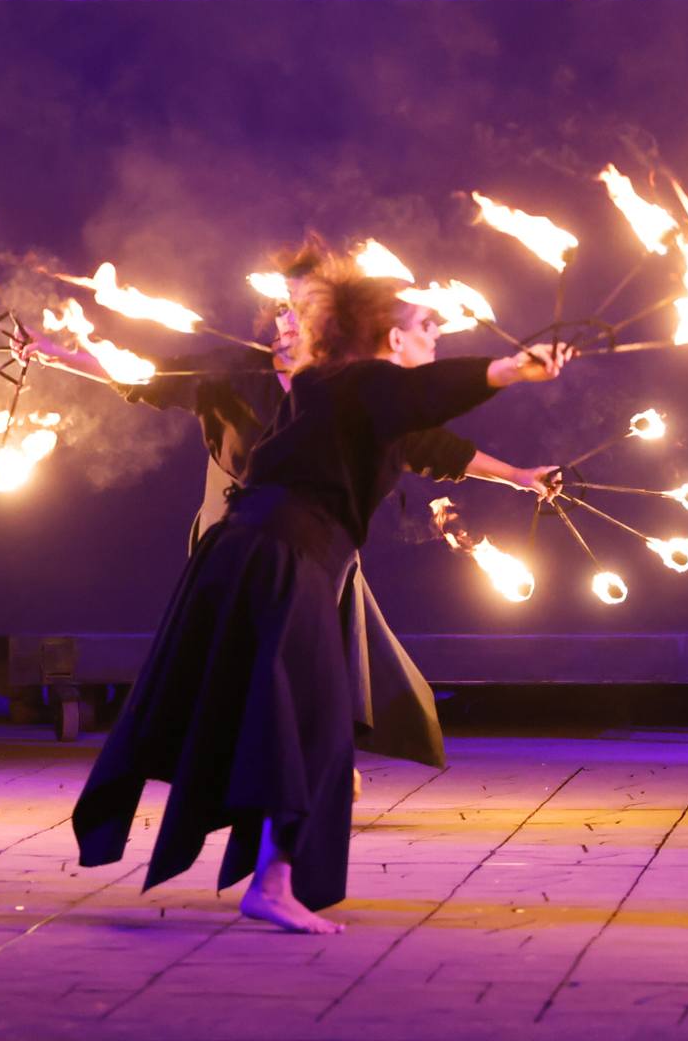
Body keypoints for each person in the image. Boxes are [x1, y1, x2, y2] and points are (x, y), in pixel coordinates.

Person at [71, 264, 571, 935]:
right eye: (425, 327)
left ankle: (271, 882)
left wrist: (519, 474)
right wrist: (508, 369)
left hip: (273, 553)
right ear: (392, 340)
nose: (435, 337)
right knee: (312, 722)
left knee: (300, 719)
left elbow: (434, 436)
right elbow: (429, 394)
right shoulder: (355, 383)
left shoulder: (356, 396)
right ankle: (272, 884)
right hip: (279, 554)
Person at [24, 244, 558, 772]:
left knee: (302, 661)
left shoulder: (344, 387)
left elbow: (430, 442)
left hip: (313, 552)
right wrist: (55, 352)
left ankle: (307, 758)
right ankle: (258, 766)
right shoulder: (233, 373)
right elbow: (140, 375)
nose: (289, 320)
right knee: (236, 658)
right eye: (283, 308)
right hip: (235, 541)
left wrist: (518, 474)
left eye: (302, 310)